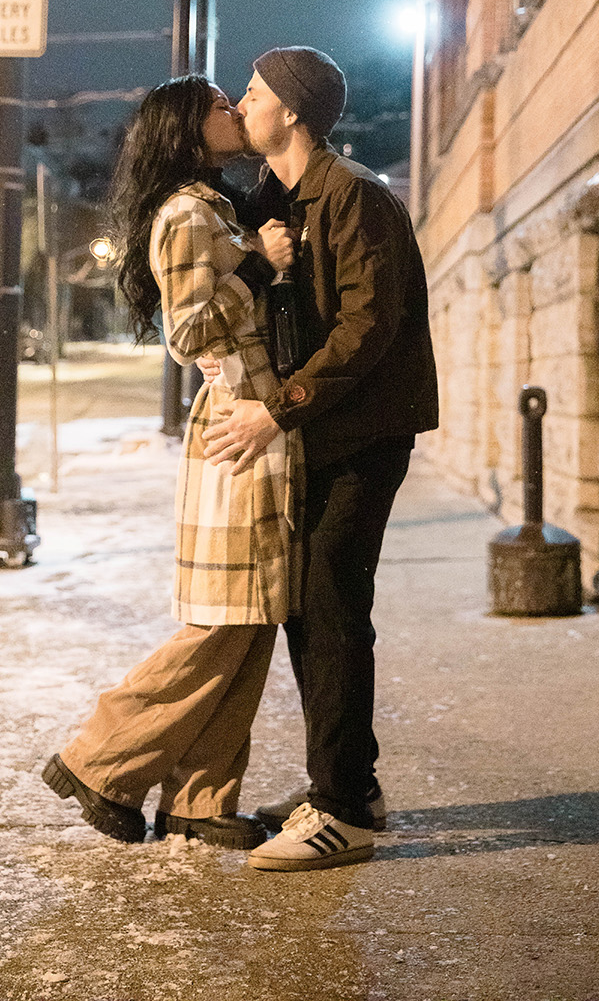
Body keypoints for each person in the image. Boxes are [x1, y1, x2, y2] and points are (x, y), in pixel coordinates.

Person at [43, 75, 302, 850]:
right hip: (237, 428)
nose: (234, 110)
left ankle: (201, 800)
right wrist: (258, 267)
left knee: (251, 620)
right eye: (219, 105)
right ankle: (98, 760)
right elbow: (188, 333)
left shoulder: (215, 206)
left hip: (253, 422)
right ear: (187, 130)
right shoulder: (187, 214)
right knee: (226, 621)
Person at [202, 47, 438, 871]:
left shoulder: (355, 196)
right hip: (316, 430)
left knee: (331, 601)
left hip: (364, 432)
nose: (242, 103)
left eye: (255, 93)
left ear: (294, 111)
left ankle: (343, 812)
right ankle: (347, 787)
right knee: (308, 604)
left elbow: (367, 328)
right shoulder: (276, 199)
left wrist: (278, 409)